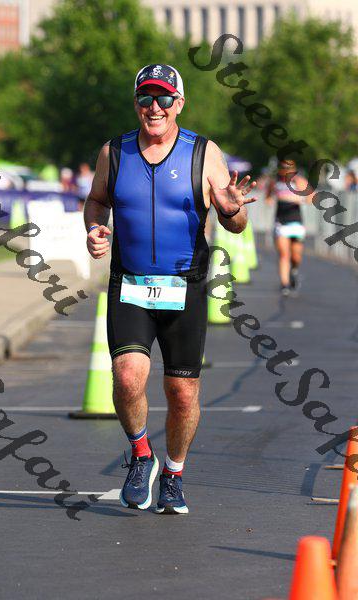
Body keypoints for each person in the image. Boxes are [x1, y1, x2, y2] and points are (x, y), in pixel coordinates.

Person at [84, 64, 257, 514]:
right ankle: (142, 456)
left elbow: (236, 224)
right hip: (130, 284)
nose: (154, 107)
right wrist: (94, 229)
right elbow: (97, 201)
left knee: (182, 394)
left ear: (179, 103)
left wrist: (231, 210)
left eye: (163, 98)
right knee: (127, 377)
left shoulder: (203, 152)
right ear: (136, 103)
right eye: (146, 98)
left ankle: (174, 475)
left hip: (186, 287)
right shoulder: (114, 152)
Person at [265, 159, 312, 296]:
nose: (286, 171)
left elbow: (310, 198)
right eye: (284, 168)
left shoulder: (299, 181)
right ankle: (284, 284)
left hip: (296, 222)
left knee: (296, 256)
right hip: (281, 222)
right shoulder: (275, 182)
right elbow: (268, 197)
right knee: (284, 254)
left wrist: (297, 199)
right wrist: (271, 200)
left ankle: (294, 270)